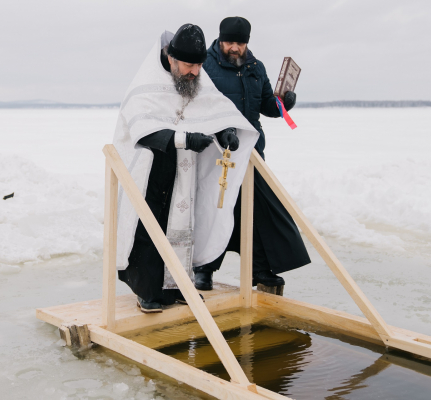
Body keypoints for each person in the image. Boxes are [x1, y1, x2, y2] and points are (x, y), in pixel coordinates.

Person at [112, 24, 260, 313]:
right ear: (171, 59)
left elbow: (213, 111)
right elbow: (141, 130)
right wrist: (184, 138)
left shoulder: (197, 81)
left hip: (185, 169)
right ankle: (148, 291)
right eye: (188, 65)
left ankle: (178, 285)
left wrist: (225, 132)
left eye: (199, 65)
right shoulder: (146, 84)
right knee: (149, 228)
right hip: (152, 169)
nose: (195, 72)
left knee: (181, 228)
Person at [196, 16, 311, 291]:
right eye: (229, 42)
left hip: (251, 151)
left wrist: (284, 103)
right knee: (218, 207)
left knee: (255, 209)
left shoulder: (255, 67)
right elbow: (198, 107)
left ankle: (258, 269)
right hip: (218, 150)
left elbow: (268, 106)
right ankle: (204, 268)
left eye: (240, 43)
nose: (234, 48)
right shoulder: (206, 66)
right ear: (220, 39)